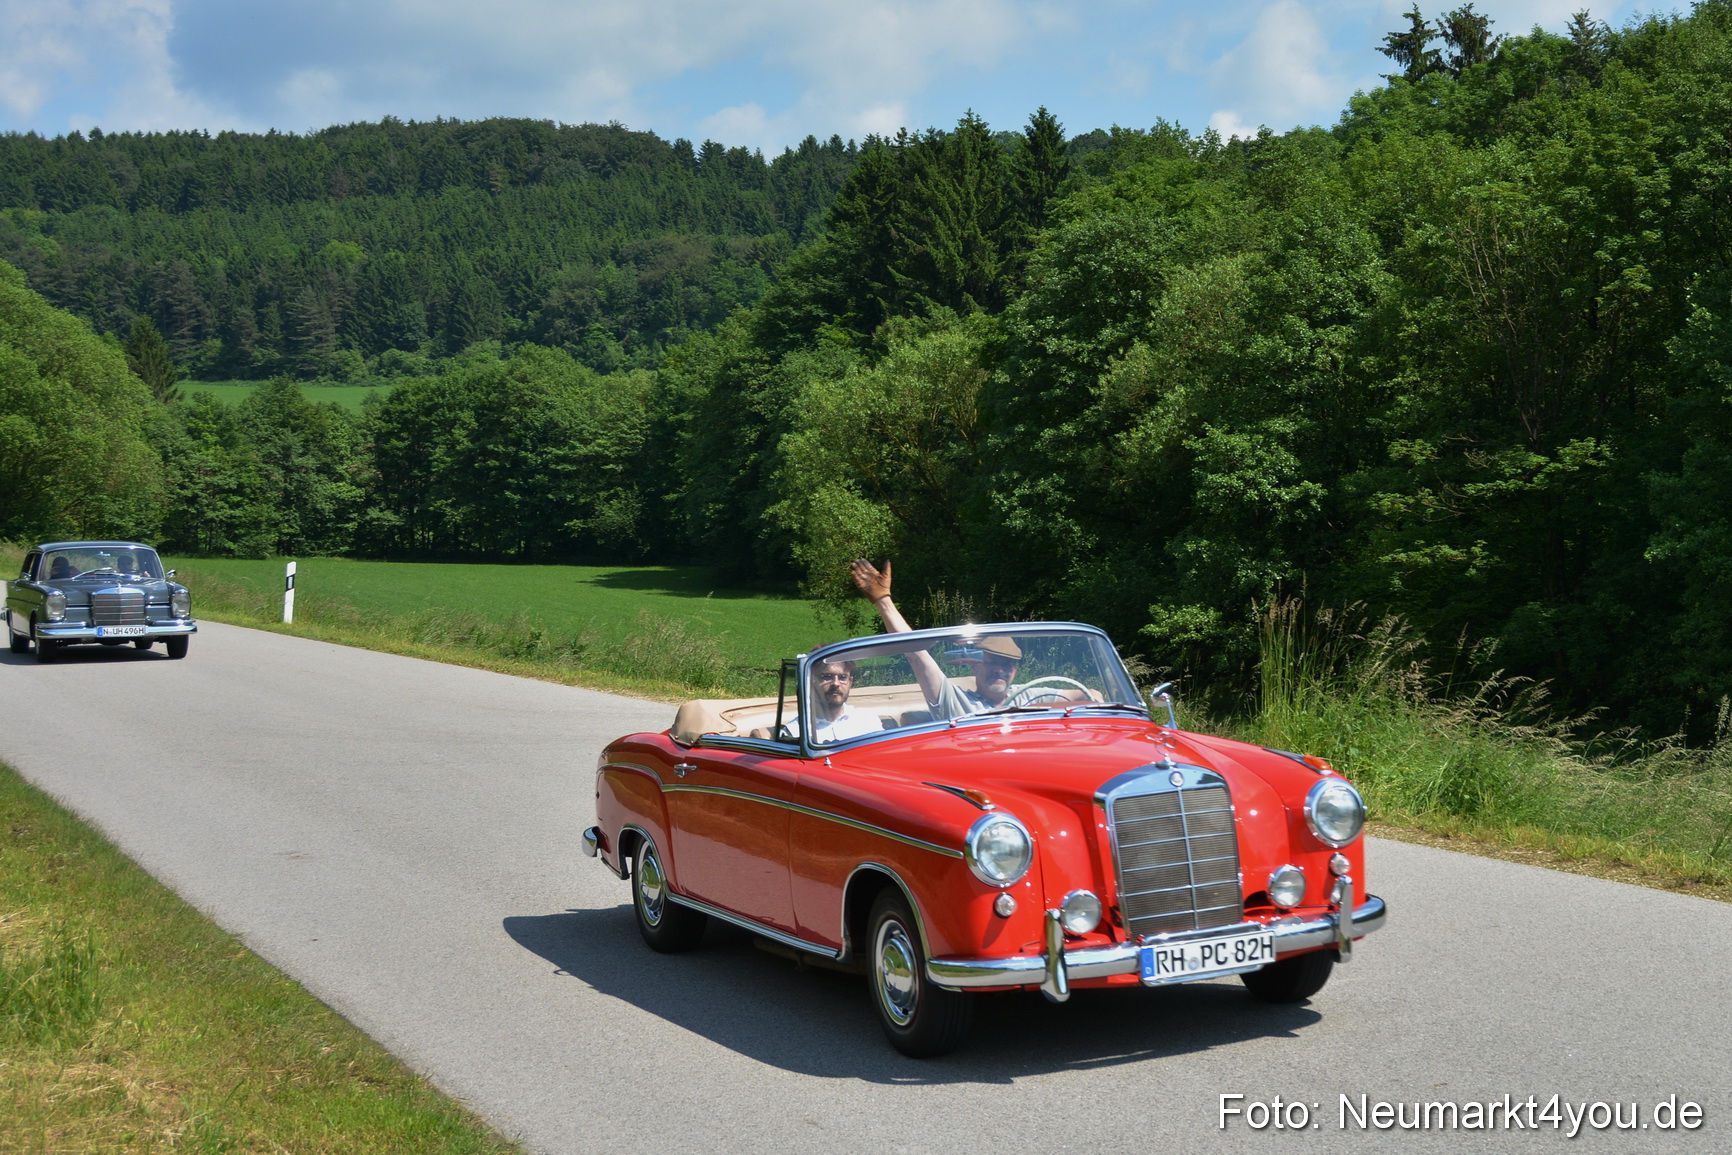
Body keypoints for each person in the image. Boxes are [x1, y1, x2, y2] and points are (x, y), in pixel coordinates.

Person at [850, 558, 1080, 718]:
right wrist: (883, 601)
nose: (1000, 670)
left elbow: (1085, 696)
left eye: (1008, 664)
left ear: (1015, 670)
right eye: (993, 662)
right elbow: (916, 654)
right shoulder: (957, 701)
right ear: (975, 665)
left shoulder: (1028, 696)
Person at [807, 659, 884, 743]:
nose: (836, 683)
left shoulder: (867, 720)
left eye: (842, 677)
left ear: (850, 682)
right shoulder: (799, 730)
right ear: (812, 681)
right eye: (827, 677)